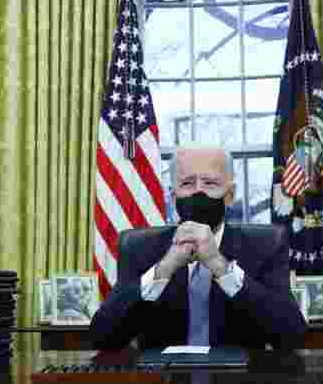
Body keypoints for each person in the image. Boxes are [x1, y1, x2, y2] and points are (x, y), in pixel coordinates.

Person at [89, 144, 307, 351]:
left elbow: (292, 336)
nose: (198, 192)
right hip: (162, 383)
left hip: (240, 383)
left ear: (229, 195)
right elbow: (103, 338)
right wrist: (164, 268)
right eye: (187, 184)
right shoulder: (139, 249)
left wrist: (220, 266)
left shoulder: (266, 246)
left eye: (210, 183)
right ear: (173, 196)